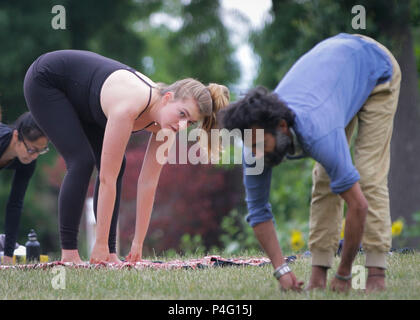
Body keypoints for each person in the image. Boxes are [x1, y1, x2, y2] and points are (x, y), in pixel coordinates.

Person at [220, 33, 401, 292]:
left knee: (368, 175)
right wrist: (281, 270)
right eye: (251, 147)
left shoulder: (318, 132)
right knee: (325, 177)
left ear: (282, 127)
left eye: (260, 146)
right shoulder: (254, 143)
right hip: (333, 77)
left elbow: (358, 206)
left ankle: (376, 272)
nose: (255, 154)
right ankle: (318, 274)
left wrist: (345, 273)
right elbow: (258, 212)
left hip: (374, 67)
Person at [23, 50, 229, 264]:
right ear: (168, 98)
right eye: (182, 114)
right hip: (47, 80)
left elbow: (148, 182)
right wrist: (98, 243)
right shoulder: (129, 105)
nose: (183, 125)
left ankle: (111, 253)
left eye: (191, 122)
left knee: (116, 164)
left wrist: (137, 243)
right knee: (81, 161)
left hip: (87, 100)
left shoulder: (168, 126)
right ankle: (70, 255)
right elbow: (106, 180)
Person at [0, 112, 49, 264]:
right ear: (16, 137)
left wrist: (8, 257)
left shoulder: (28, 161)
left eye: (40, 151)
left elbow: (15, 204)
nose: (34, 156)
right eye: (31, 149)